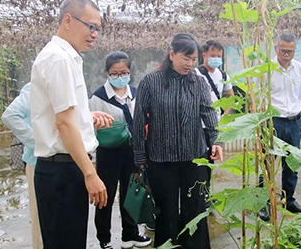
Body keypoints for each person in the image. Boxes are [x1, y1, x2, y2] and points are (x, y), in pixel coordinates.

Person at [30, 0, 114, 249]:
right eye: (91, 26)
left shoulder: (64, 56)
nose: (95, 34)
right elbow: (64, 124)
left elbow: (62, 115)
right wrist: (90, 173)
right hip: (63, 170)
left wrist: (86, 118)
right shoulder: (59, 59)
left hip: (63, 168)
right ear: (68, 20)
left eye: (98, 28)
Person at [133, 33, 224, 249]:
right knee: (166, 212)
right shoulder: (150, 82)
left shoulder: (199, 82)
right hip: (161, 160)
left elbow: (209, 115)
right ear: (172, 54)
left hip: (194, 158)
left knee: (196, 212)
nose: (190, 64)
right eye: (186, 58)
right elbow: (138, 122)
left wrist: (216, 141)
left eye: (193, 60)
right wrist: (140, 157)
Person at [89, 51, 151, 249]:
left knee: (130, 193)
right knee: (104, 196)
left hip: (132, 151)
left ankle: (130, 234)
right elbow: (89, 128)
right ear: (108, 74)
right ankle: (104, 238)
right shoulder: (99, 97)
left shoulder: (135, 93)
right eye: (115, 73)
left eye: (123, 72)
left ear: (129, 71)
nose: (119, 77)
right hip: (109, 152)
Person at [259, 33, 301, 221]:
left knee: (292, 164)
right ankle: (265, 204)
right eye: (284, 50)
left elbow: (299, 93)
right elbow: (261, 94)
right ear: (276, 48)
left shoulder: (300, 69)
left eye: (291, 51)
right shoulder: (267, 69)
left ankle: (289, 199)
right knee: (268, 164)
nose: (287, 55)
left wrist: (293, 111)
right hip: (273, 121)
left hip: (294, 121)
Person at [1, 83, 43, 249]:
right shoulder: (33, 89)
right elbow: (10, 115)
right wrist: (37, 142)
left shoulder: (66, 86)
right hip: (37, 162)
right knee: (40, 217)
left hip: (65, 162)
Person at [194, 40, 234, 205]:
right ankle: (197, 196)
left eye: (219, 56)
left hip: (214, 126)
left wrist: (225, 114)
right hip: (198, 126)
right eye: (212, 55)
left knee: (210, 160)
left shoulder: (223, 75)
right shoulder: (195, 73)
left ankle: (206, 195)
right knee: (198, 162)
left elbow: (231, 96)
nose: (216, 59)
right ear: (204, 55)